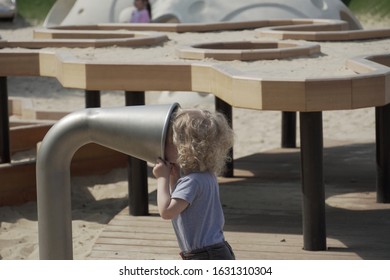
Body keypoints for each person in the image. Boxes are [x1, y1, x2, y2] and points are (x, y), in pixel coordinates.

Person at [153, 108, 235, 260]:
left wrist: (161, 178)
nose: (163, 146)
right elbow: (184, 205)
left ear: (184, 147)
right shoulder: (206, 176)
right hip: (216, 250)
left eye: (168, 141)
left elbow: (167, 212)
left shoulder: (191, 182)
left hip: (205, 256)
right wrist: (174, 176)